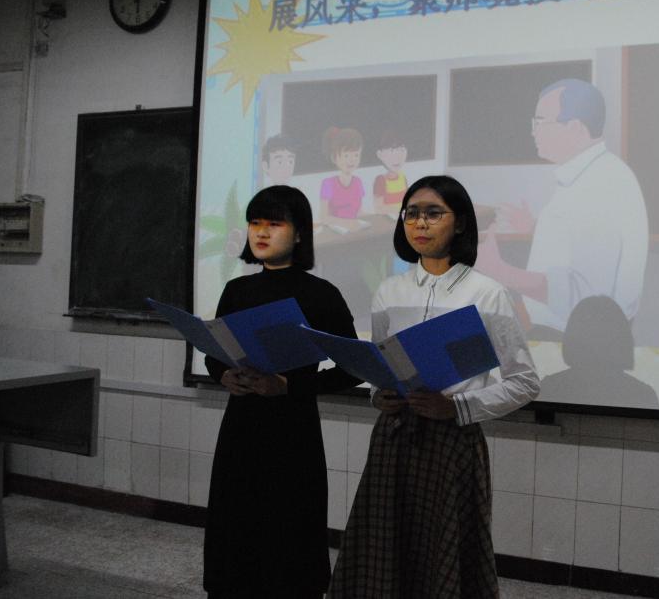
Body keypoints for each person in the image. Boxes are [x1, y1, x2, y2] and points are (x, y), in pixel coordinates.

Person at [328, 175, 540, 599]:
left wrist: (458, 407)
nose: (420, 223)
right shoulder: (389, 292)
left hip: (452, 439)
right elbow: (382, 367)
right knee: (384, 549)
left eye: (433, 213)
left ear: (459, 223)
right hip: (393, 437)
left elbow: (525, 381)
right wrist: (379, 394)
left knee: (444, 553)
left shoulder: (487, 293)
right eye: (411, 214)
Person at [202, 185, 361, 599]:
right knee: (235, 529)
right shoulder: (237, 290)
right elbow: (215, 353)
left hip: (293, 432)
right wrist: (223, 375)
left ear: (300, 232)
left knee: (289, 537)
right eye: (255, 222)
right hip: (240, 428)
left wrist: (291, 385)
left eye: (274, 223)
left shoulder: (321, 294)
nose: (261, 232)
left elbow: (354, 367)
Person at [477, 78, 649, 329]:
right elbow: (581, 243)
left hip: (576, 339)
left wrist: (499, 271)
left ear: (575, 128)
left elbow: (583, 295)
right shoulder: (593, 174)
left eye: (540, 122)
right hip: (570, 331)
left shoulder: (600, 185)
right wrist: (536, 227)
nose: (533, 132)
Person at [319, 126, 365, 228]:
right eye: (346, 156)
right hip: (336, 231)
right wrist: (346, 223)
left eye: (356, 155)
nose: (351, 160)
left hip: (356, 229)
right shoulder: (328, 183)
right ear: (334, 157)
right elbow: (323, 217)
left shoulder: (358, 182)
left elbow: (359, 212)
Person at [371, 129, 408, 217]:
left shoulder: (403, 178)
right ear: (380, 154)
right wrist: (399, 209)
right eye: (391, 151)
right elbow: (378, 208)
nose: (397, 157)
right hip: (388, 221)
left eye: (401, 150)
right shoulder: (380, 180)